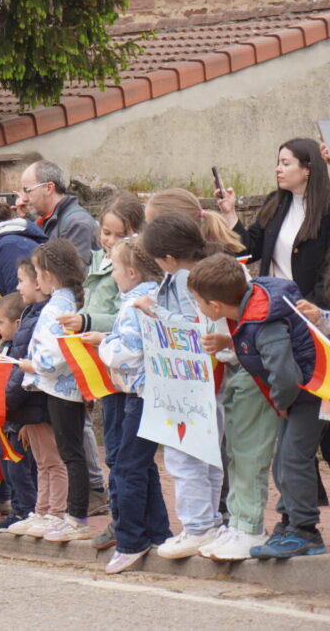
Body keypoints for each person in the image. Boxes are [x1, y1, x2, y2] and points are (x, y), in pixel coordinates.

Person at [189, 254, 326, 559]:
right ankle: (290, 524)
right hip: (299, 393)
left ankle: (306, 532)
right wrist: (229, 343)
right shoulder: (253, 308)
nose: (197, 305)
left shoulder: (263, 321)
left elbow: (285, 374)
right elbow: (255, 346)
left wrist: (281, 402)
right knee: (284, 462)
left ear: (214, 306)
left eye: (197, 300)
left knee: (294, 459)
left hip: (311, 391)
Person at [59, 192, 147, 539]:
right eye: (105, 233)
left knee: (125, 451)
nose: (108, 241)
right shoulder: (98, 262)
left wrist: (87, 320)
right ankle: (121, 517)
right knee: (112, 443)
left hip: (121, 364)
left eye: (117, 235)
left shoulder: (129, 269)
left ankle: (125, 520)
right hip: (102, 363)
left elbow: (122, 316)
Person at [138, 212, 225, 560]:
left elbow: (194, 328)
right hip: (207, 382)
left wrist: (154, 313)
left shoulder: (185, 280)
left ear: (169, 258)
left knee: (184, 458)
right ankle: (210, 522)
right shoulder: (202, 272)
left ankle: (198, 526)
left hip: (189, 385)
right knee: (207, 457)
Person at [83, 238, 172, 574]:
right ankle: (157, 532)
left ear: (131, 272)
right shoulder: (147, 298)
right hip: (144, 393)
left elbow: (127, 352)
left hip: (139, 394)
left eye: (116, 268)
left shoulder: (134, 304)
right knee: (141, 465)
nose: (113, 274)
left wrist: (105, 345)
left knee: (127, 467)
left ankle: (131, 539)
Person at [19, 239, 90, 542]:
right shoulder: (62, 303)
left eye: (36, 272)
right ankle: (70, 515)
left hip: (63, 389)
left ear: (47, 275)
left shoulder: (58, 307)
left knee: (70, 453)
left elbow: (57, 352)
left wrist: (35, 366)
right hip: (60, 388)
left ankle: (76, 516)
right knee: (68, 452)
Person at [218, 138, 330, 301]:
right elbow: (248, 250)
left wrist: (309, 308)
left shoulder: (325, 209)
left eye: (285, 164)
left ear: (307, 169)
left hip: (311, 311)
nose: (278, 169)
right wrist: (229, 213)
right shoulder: (275, 202)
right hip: (274, 305)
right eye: (278, 163)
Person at [5, 260, 69, 539]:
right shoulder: (31, 313)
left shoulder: (41, 316)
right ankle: (42, 510)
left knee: (52, 461)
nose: (18, 286)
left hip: (38, 398)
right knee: (42, 462)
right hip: (28, 402)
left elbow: (28, 363)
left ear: (40, 281)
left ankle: (55, 513)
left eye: (22, 280)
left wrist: (6, 401)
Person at [0, 292, 38, 533]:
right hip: (4, 421)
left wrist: (28, 423)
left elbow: (25, 389)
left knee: (20, 470)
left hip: (19, 423)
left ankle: (26, 510)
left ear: (17, 323)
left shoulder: (23, 352)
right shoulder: (5, 349)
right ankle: (20, 510)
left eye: (0, 322)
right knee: (8, 469)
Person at [16, 159, 99, 266]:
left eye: (28, 190)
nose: (24, 198)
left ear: (49, 188)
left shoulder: (77, 224)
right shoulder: (46, 219)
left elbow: (75, 275)